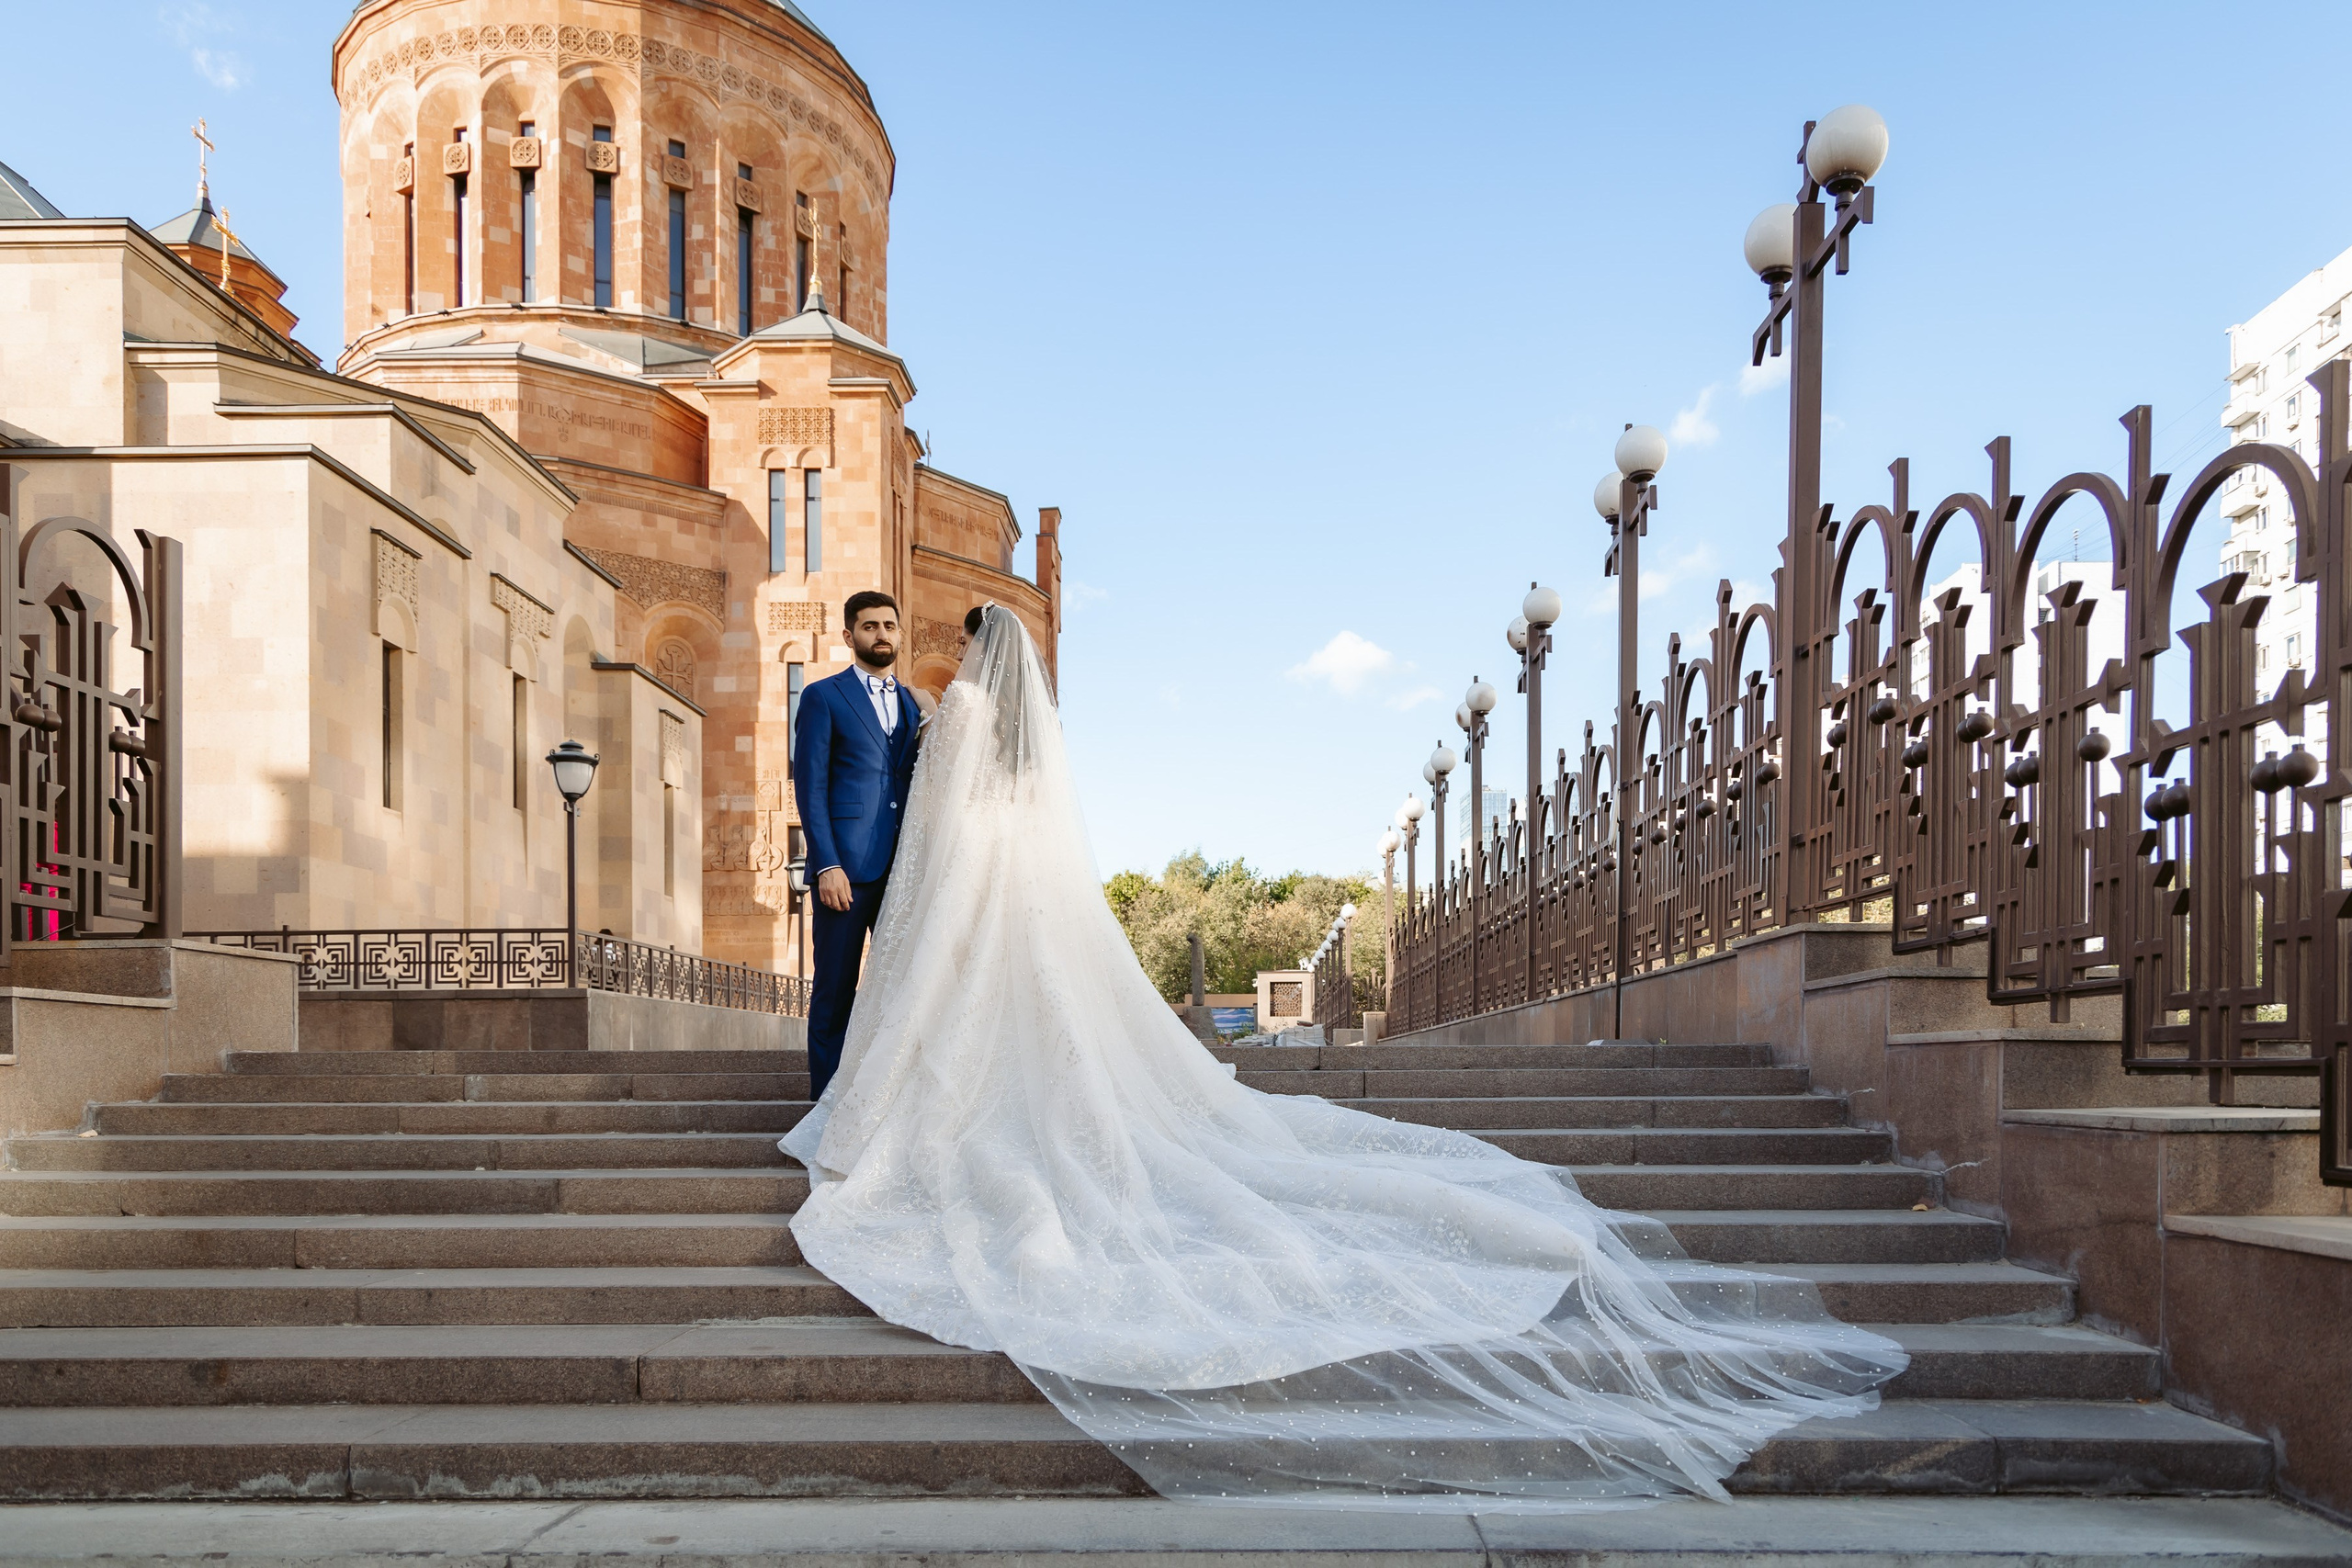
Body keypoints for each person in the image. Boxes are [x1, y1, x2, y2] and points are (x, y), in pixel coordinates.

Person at [781, 605, 1905, 1510]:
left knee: (962, 1023)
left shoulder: (958, 707)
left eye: (947, 637)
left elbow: (936, 822)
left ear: (974, 650)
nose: (933, 647)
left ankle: (885, 1093)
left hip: (957, 889)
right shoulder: (1021, 724)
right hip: (1012, 897)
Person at [787, 591, 923, 1101]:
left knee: (901, 991)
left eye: (890, 625)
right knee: (835, 993)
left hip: (902, 873)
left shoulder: (911, 702)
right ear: (850, 636)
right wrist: (826, 864)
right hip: (845, 872)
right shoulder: (824, 697)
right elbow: (810, 785)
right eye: (870, 626)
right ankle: (824, 1110)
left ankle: (883, 1105)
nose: (882, 634)